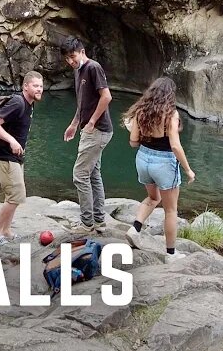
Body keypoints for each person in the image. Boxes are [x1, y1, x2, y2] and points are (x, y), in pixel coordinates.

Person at [123, 77, 196, 258]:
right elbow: (175, 146)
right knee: (170, 210)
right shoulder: (171, 114)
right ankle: (171, 254)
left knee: (152, 197)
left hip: (143, 159)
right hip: (164, 163)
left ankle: (135, 229)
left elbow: (133, 142)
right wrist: (188, 170)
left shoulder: (140, 111)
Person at [60, 37, 112, 234]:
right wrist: (74, 124)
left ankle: (86, 224)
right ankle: (98, 221)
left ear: (82, 51)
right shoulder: (78, 71)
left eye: (73, 57)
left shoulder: (93, 67)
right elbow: (83, 103)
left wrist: (91, 122)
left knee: (80, 175)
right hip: (91, 129)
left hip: (97, 130)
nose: (70, 61)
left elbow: (106, 97)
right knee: (93, 174)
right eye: (67, 59)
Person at [0, 71, 44, 244]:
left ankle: (6, 229)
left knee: (13, 196)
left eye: (41, 86)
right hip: (6, 157)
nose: (39, 89)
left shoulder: (29, 103)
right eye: (35, 86)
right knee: (15, 195)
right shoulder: (18, 103)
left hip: (15, 157)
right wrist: (12, 141)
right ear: (25, 86)